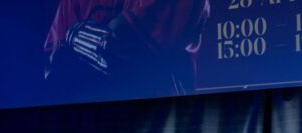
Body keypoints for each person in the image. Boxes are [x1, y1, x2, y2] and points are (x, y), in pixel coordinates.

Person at [44, 0, 211, 96]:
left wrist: (75, 37)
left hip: (158, 132)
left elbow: (125, 55)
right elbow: (54, 67)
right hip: (88, 131)